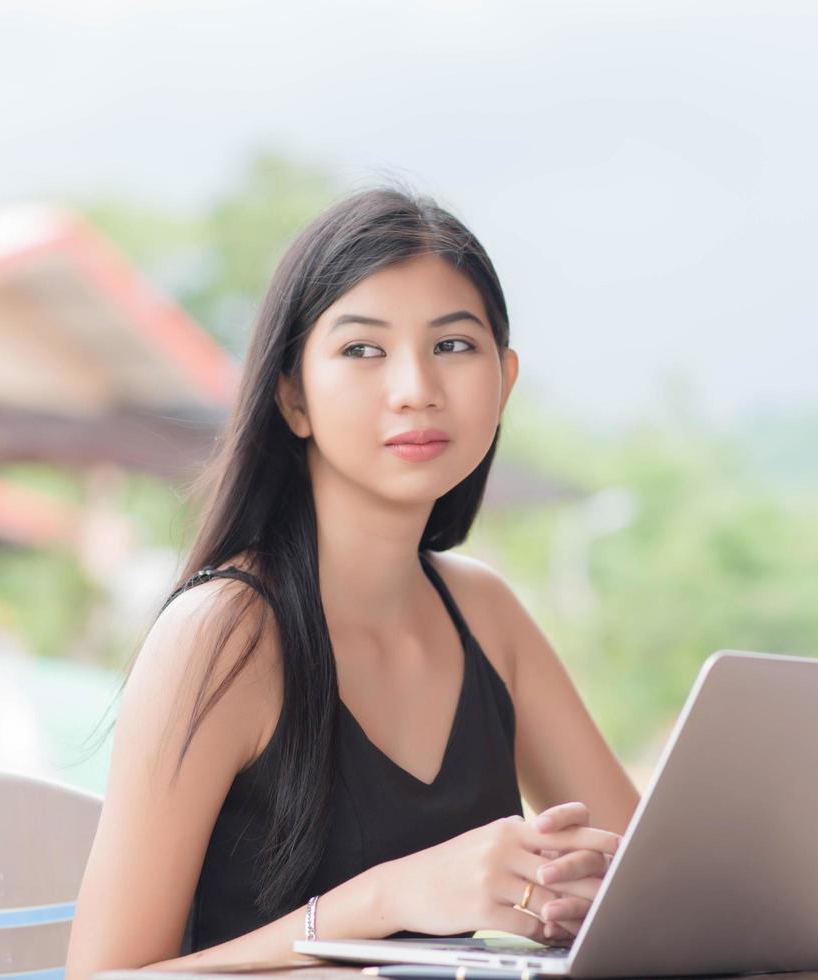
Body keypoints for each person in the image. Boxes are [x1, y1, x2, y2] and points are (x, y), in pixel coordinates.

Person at [64, 185, 641, 978]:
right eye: (363, 350)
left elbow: (652, 891)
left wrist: (582, 896)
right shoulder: (223, 633)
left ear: (504, 382)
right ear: (291, 394)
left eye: (454, 346)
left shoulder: (486, 613)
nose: (415, 388)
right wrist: (387, 900)